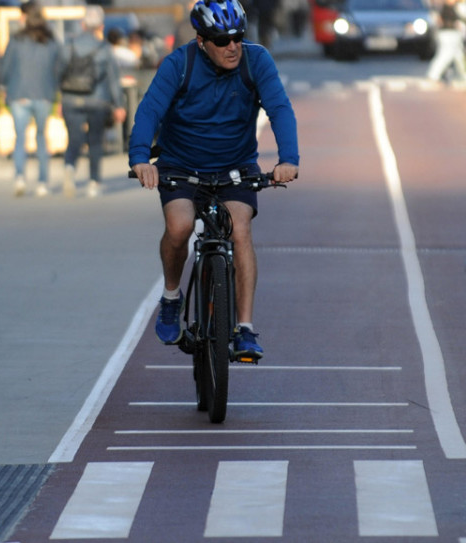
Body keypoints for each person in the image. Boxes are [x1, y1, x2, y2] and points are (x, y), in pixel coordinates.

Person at [129, 0, 299, 359]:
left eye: (238, 37)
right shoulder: (179, 64)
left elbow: (280, 108)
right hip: (180, 164)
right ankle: (172, 297)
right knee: (179, 226)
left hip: (235, 166)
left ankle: (246, 329)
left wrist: (288, 159)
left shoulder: (257, 61)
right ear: (201, 40)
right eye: (221, 40)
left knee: (240, 230)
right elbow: (149, 110)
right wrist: (141, 159)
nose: (232, 46)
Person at [58, 5, 126, 198]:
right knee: (95, 141)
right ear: (101, 26)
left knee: (74, 139)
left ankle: (70, 168)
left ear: (82, 24)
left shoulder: (68, 45)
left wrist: (59, 99)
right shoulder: (104, 49)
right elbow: (113, 79)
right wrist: (119, 105)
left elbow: (59, 72)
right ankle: (93, 182)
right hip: (98, 101)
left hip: (71, 99)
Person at [0, 0, 59, 198]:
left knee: (19, 139)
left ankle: (20, 178)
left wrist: (3, 87)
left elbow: (5, 67)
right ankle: (42, 183)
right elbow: (58, 68)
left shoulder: (16, 40)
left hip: (19, 94)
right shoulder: (51, 40)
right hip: (43, 95)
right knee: (42, 138)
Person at [426, 0, 466, 85]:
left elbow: (465, 18)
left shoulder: (457, 7)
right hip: (447, 34)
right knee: (445, 54)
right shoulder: (443, 8)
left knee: (459, 56)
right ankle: (433, 75)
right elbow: (438, 20)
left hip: (454, 34)